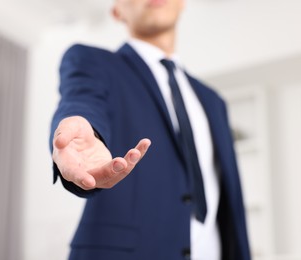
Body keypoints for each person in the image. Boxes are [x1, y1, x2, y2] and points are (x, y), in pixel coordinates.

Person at [50, 0, 251, 259]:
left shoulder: (214, 101)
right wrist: (80, 131)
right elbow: (81, 99)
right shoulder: (92, 61)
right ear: (117, 11)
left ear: (183, 4)